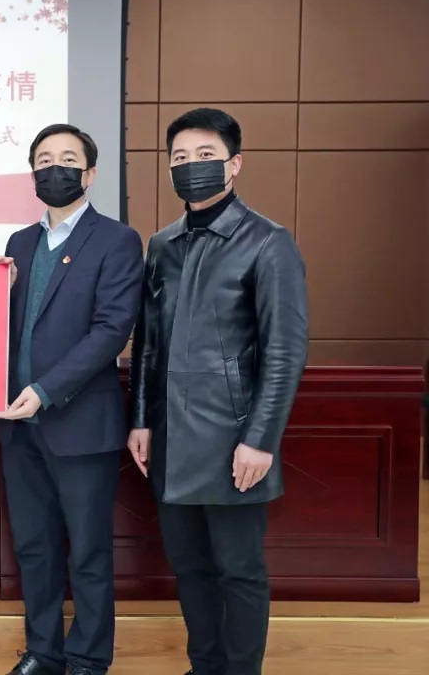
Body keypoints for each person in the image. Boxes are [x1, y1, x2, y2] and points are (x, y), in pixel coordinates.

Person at [127, 107, 308, 675]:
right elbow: (148, 343)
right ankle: (203, 666)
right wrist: (141, 420)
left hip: (234, 440)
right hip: (170, 438)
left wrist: (260, 439)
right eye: (180, 157)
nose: (191, 166)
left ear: (234, 164)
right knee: (189, 568)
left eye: (205, 155)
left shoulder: (268, 242)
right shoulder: (162, 245)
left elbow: (284, 351)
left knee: (239, 570)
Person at [0, 124, 144, 675]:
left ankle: (88, 660)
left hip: (80, 423)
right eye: (45, 159)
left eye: (68, 159)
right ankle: (43, 652)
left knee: (89, 552)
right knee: (34, 547)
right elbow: (9, 328)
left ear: (90, 173)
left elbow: (110, 330)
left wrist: (45, 391)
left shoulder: (117, 240)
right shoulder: (19, 244)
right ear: (33, 173)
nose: (55, 168)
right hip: (17, 424)